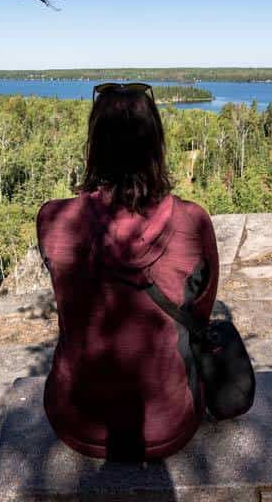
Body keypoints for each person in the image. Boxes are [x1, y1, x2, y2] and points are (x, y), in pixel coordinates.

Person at [35, 82, 220, 462]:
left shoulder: (53, 219)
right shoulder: (192, 221)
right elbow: (198, 314)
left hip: (76, 422)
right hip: (168, 425)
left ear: (95, 146)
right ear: (155, 145)